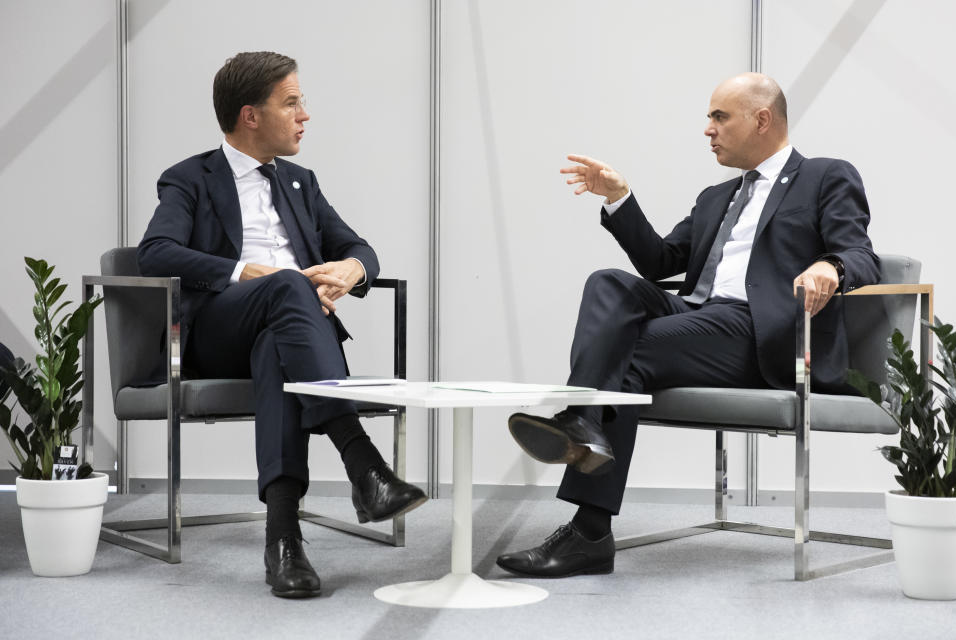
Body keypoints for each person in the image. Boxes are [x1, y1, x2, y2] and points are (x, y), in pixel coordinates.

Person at [496, 73, 880, 578]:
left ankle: (587, 509)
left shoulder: (826, 177)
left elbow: (861, 254)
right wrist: (619, 197)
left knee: (624, 362)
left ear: (761, 119)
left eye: (719, 116)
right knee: (608, 283)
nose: (708, 129)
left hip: (758, 332)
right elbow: (658, 263)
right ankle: (585, 447)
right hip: (698, 317)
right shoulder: (714, 198)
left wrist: (831, 267)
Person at [137, 51, 426, 598]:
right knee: (289, 284)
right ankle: (361, 460)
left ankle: (283, 542)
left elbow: (356, 245)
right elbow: (156, 253)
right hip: (215, 332)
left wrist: (353, 268)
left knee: (278, 343)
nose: (304, 115)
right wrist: (244, 270)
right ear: (250, 115)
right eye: (291, 102)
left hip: (287, 335)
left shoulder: (301, 182)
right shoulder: (189, 178)